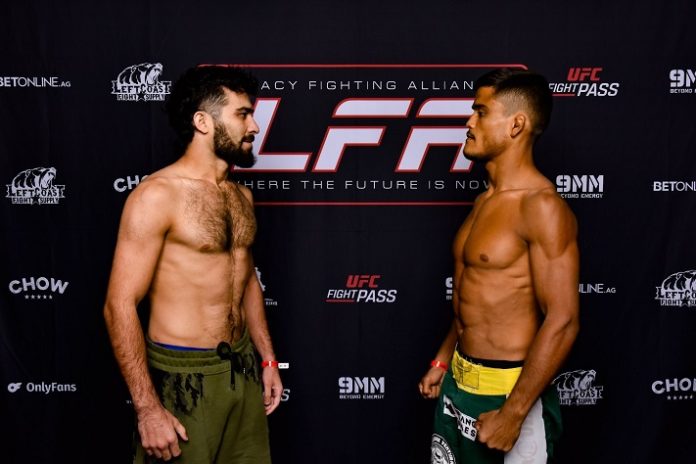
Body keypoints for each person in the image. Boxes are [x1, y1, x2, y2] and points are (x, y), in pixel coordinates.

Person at [104, 66, 282, 463]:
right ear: (203, 122)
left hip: (241, 369)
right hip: (182, 379)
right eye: (242, 114)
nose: (254, 126)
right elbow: (119, 305)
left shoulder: (241, 197)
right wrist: (148, 409)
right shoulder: (156, 195)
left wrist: (267, 358)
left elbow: (246, 280)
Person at [419, 68, 579, 463]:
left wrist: (513, 413)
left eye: (481, 112)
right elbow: (476, 293)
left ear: (516, 125)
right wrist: (443, 358)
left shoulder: (541, 207)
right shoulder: (484, 201)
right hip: (458, 383)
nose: (469, 122)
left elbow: (563, 319)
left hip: (508, 394)